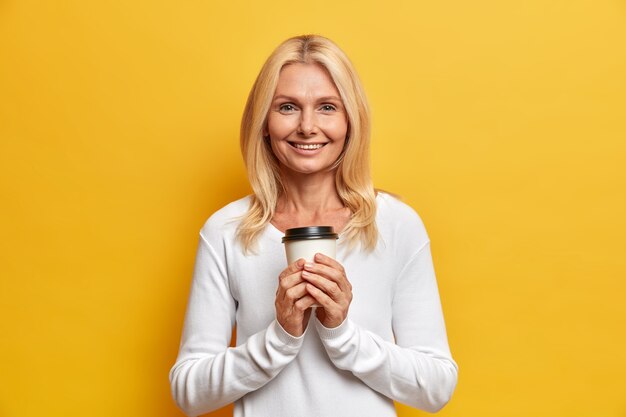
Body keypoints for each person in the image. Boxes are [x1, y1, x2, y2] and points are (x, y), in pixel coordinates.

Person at [169, 34, 458, 417]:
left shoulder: (395, 225)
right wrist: (280, 337)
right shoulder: (226, 231)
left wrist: (342, 334)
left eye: (327, 107)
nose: (307, 127)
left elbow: (436, 388)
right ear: (264, 124)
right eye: (287, 107)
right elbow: (189, 393)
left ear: (350, 121)